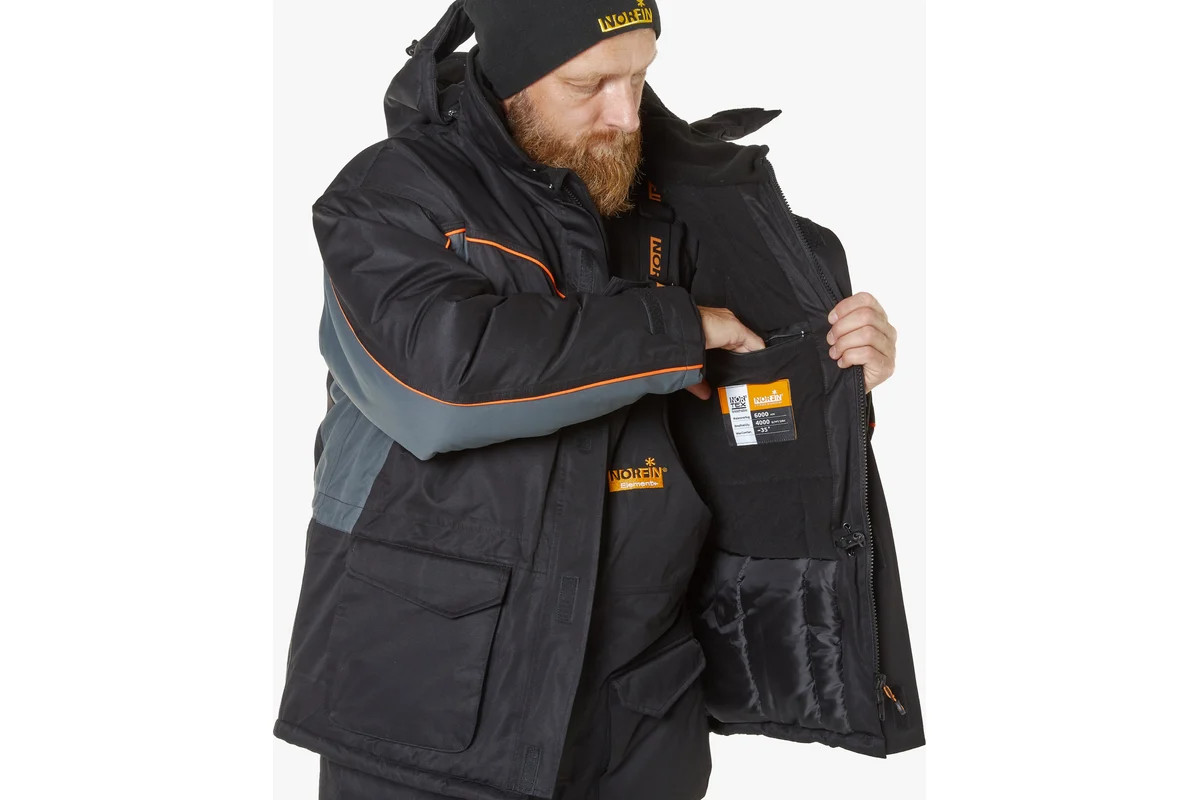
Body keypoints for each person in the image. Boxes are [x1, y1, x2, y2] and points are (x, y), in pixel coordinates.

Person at [274, 2, 922, 798]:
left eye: (639, 78)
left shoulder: (684, 208)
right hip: (426, 699)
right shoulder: (391, 197)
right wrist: (672, 330)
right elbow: (440, 390)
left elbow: (754, 416)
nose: (627, 114)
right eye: (591, 85)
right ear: (513, 78)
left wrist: (839, 376)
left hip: (642, 704)